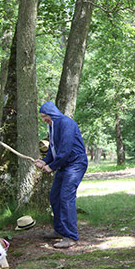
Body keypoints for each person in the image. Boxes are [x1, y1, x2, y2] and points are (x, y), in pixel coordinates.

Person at [35, 101, 88, 249]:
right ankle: (59, 230)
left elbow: (64, 150)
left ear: (52, 113)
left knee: (66, 197)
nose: (44, 120)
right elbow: (54, 150)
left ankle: (70, 236)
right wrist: (44, 161)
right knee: (55, 196)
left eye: (45, 116)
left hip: (75, 164)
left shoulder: (66, 123)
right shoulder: (53, 126)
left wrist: (51, 167)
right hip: (64, 165)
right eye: (42, 117)